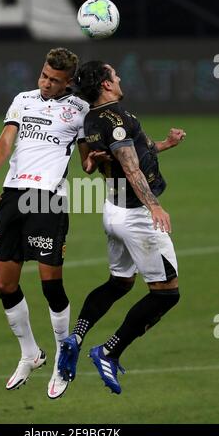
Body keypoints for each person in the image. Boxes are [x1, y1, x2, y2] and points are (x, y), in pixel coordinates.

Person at [0, 48, 101, 400]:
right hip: (14, 197)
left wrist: (93, 163)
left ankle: (63, 354)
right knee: (4, 283)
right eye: (44, 75)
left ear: (68, 83)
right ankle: (30, 353)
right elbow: (6, 140)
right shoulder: (23, 100)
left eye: (54, 80)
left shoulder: (80, 110)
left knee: (50, 284)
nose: (45, 83)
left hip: (48, 198)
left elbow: (86, 159)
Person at [58, 60, 186, 395]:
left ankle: (77, 334)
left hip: (113, 211)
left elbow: (101, 161)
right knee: (167, 294)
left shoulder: (91, 119)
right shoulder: (118, 119)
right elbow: (131, 167)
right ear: (105, 84)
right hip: (136, 216)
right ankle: (109, 351)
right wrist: (154, 205)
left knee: (120, 282)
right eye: (114, 74)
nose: (119, 77)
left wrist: (165, 145)